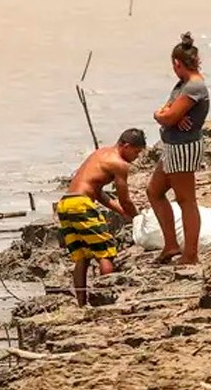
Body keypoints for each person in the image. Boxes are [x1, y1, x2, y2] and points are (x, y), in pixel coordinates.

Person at [56, 128, 145, 307]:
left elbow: (97, 192)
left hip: (65, 204)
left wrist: (121, 211)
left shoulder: (100, 153)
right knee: (106, 250)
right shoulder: (119, 164)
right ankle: (106, 298)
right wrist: (138, 218)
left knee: (82, 255)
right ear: (126, 146)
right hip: (81, 204)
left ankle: (81, 304)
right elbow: (125, 199)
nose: (136, 157)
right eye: (136, 152)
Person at [148, 33, 211, 265]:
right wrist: (169, 115)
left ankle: (191, 254)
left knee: (186, 200)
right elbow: (169, 111)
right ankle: (171, 244)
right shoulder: (183, 85)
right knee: (154, 191)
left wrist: (165, 115)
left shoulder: (194, 87)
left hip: (183, 148)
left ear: (177, 63)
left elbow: (168, 115)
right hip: (173, 146)